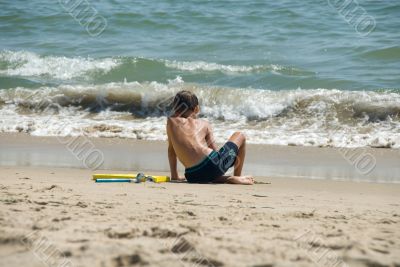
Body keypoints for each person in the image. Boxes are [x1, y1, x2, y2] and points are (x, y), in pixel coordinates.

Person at [166, 90, 254, 185]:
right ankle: (237, 176)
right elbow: (215, 151)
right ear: (196, 109)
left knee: (207, 171)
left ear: (175, 108)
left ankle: (226, 178)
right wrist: (232, 157)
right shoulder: (204, 123)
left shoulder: (171, 122)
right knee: (240, 135)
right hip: (212, 166)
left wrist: (174, 176)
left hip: (192, 175)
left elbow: (171, 151)